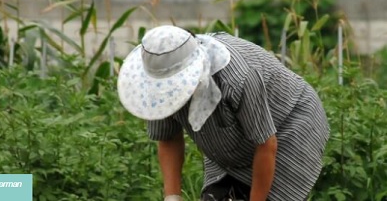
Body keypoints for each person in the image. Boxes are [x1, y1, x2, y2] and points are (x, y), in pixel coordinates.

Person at [117, 25, 330, 201]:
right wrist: (172, 197)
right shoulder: (157, 86)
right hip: (230, 142)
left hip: (288, 127)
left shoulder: (237, 78)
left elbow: (266, 144)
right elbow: (168, 138)